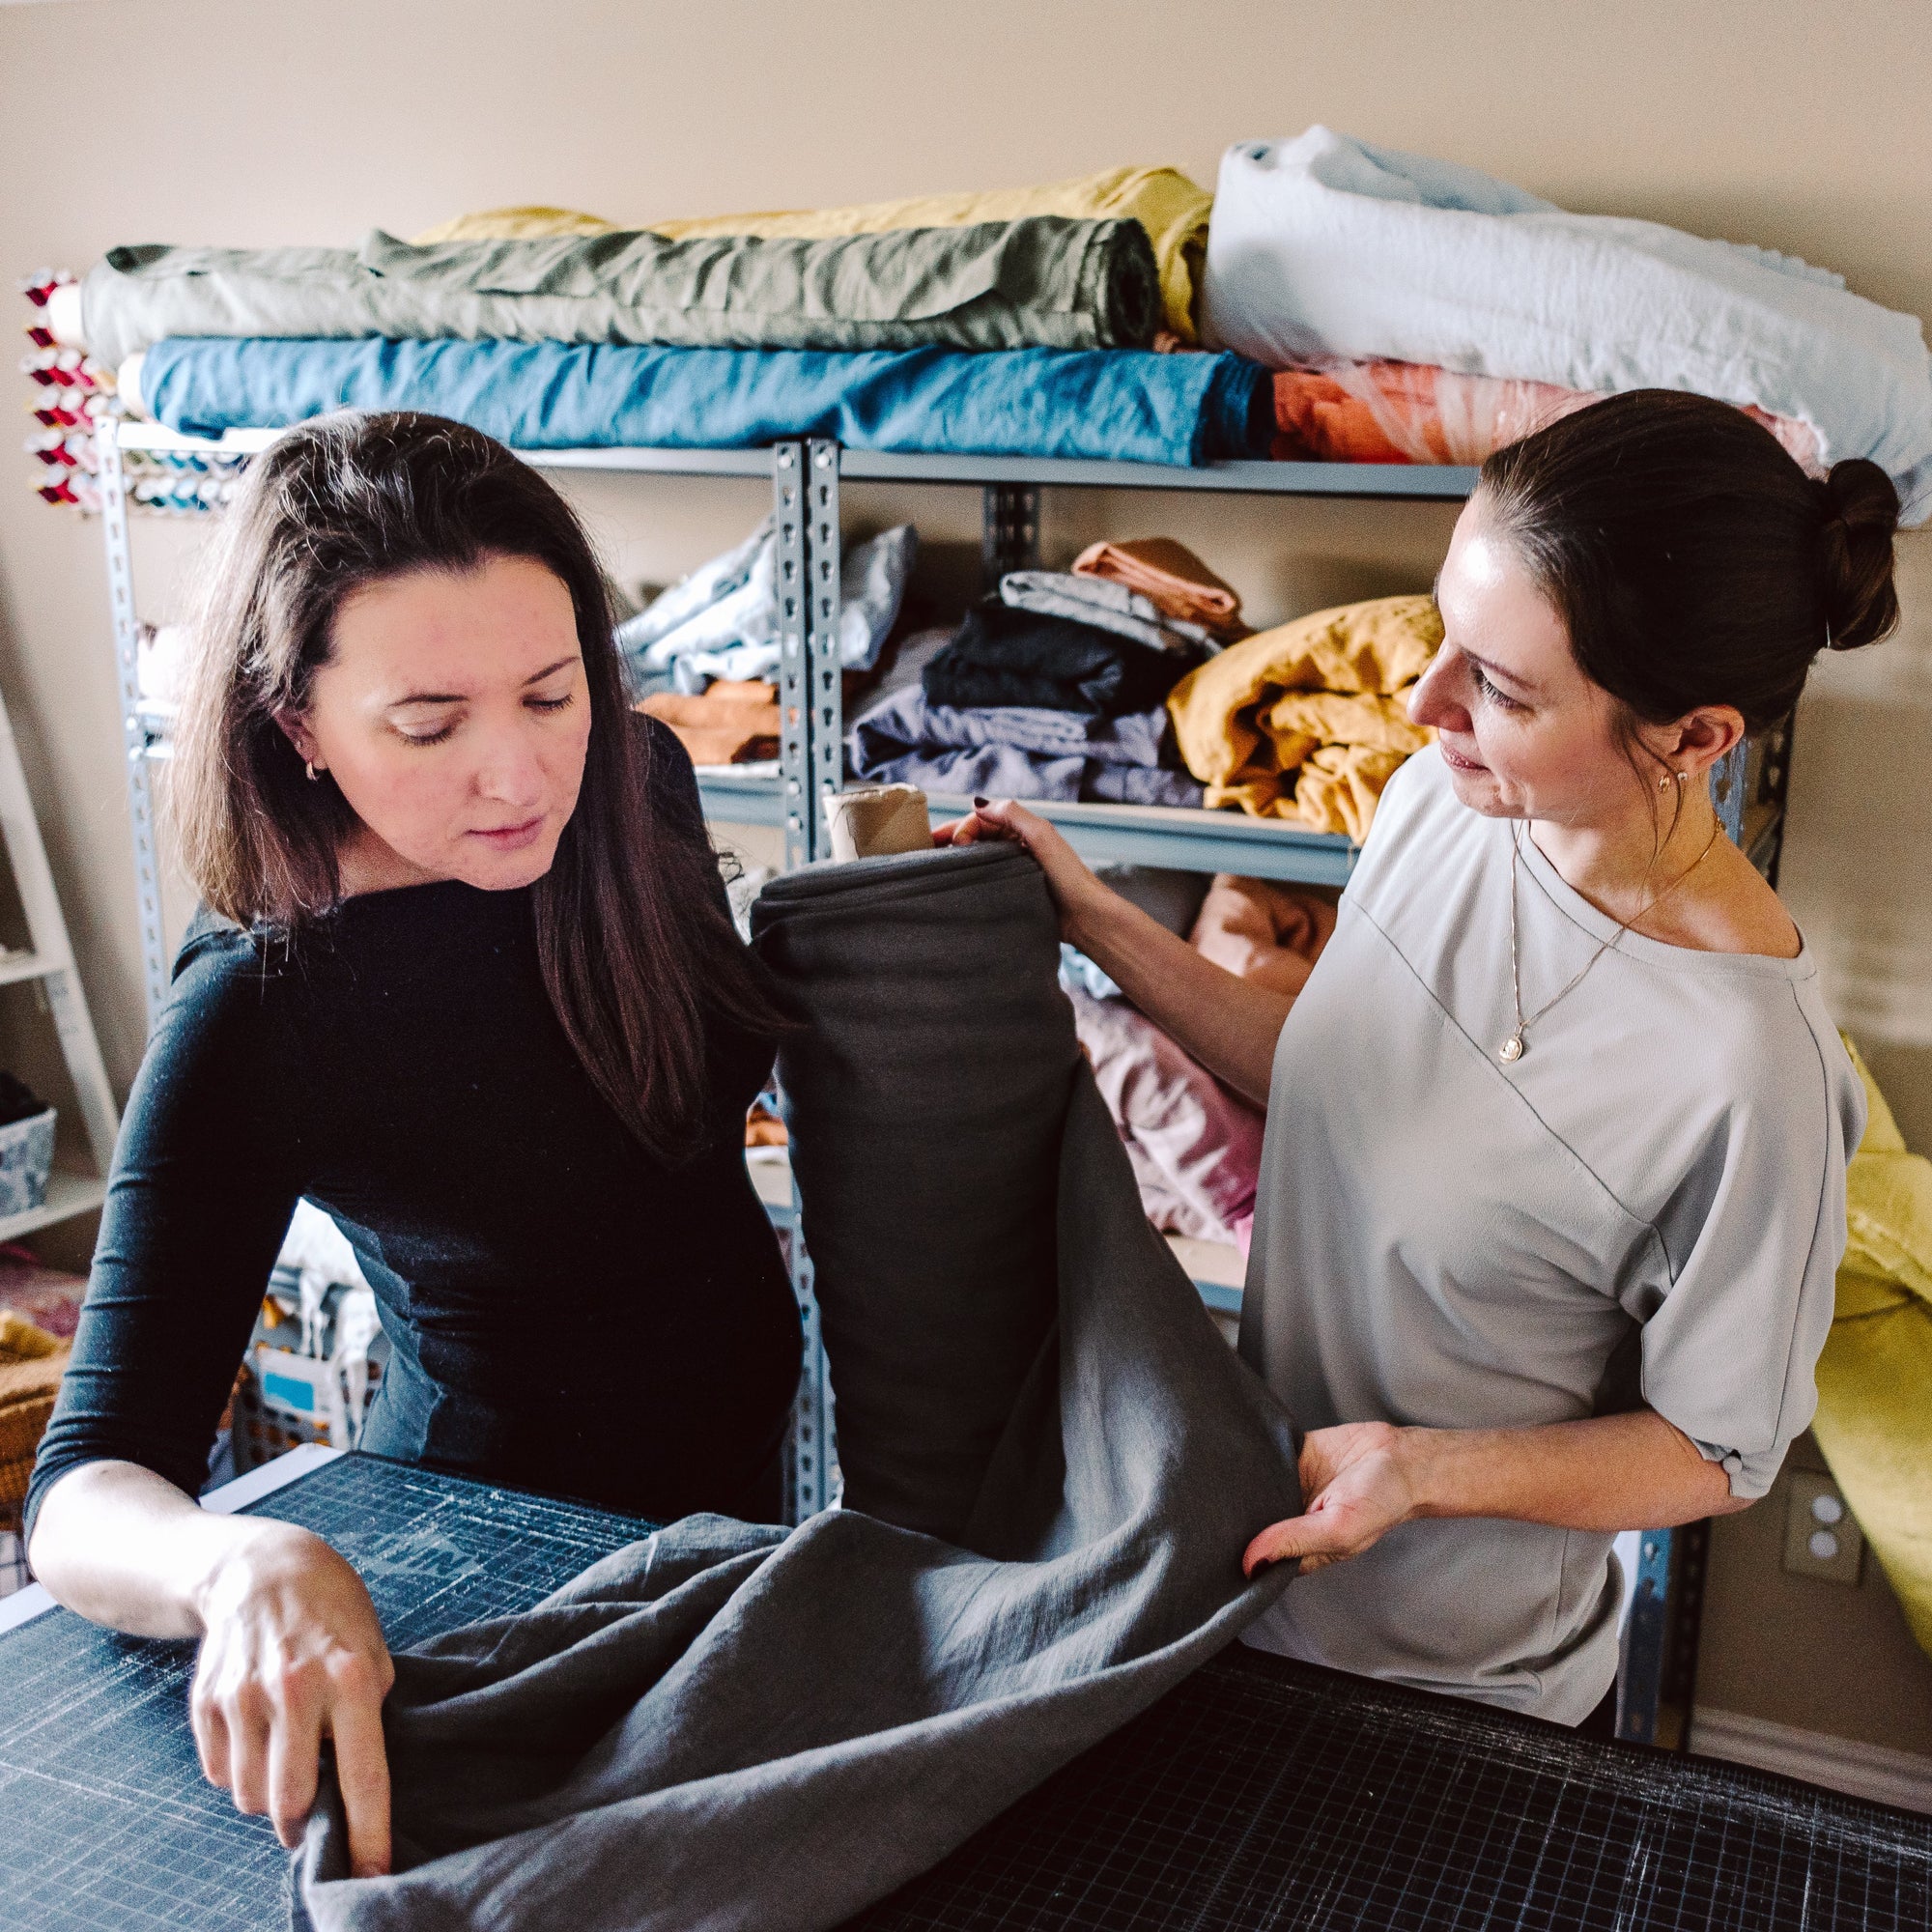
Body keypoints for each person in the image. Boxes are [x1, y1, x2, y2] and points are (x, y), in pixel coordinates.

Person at [946, 389, 1898, 1731]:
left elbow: (1718, 1451)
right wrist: (1094, 921)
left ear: (1697, 738)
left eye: (1498, 688)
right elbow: (1342, 1074)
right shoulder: (1435, 806)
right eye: (1446, 631)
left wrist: (1424, 1471)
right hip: (1236, 1586)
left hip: (1455, 1684)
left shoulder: (1749, 1074)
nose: (1423, 697)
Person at [25, 412, 802, 1876]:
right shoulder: (263, 1000)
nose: (518, 777)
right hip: (487, 1570)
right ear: (297, 727)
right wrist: (236, 1557)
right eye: (431, 726)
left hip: (732, 1519)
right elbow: (83, 1487)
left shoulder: (632, 784)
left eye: (550, 693)